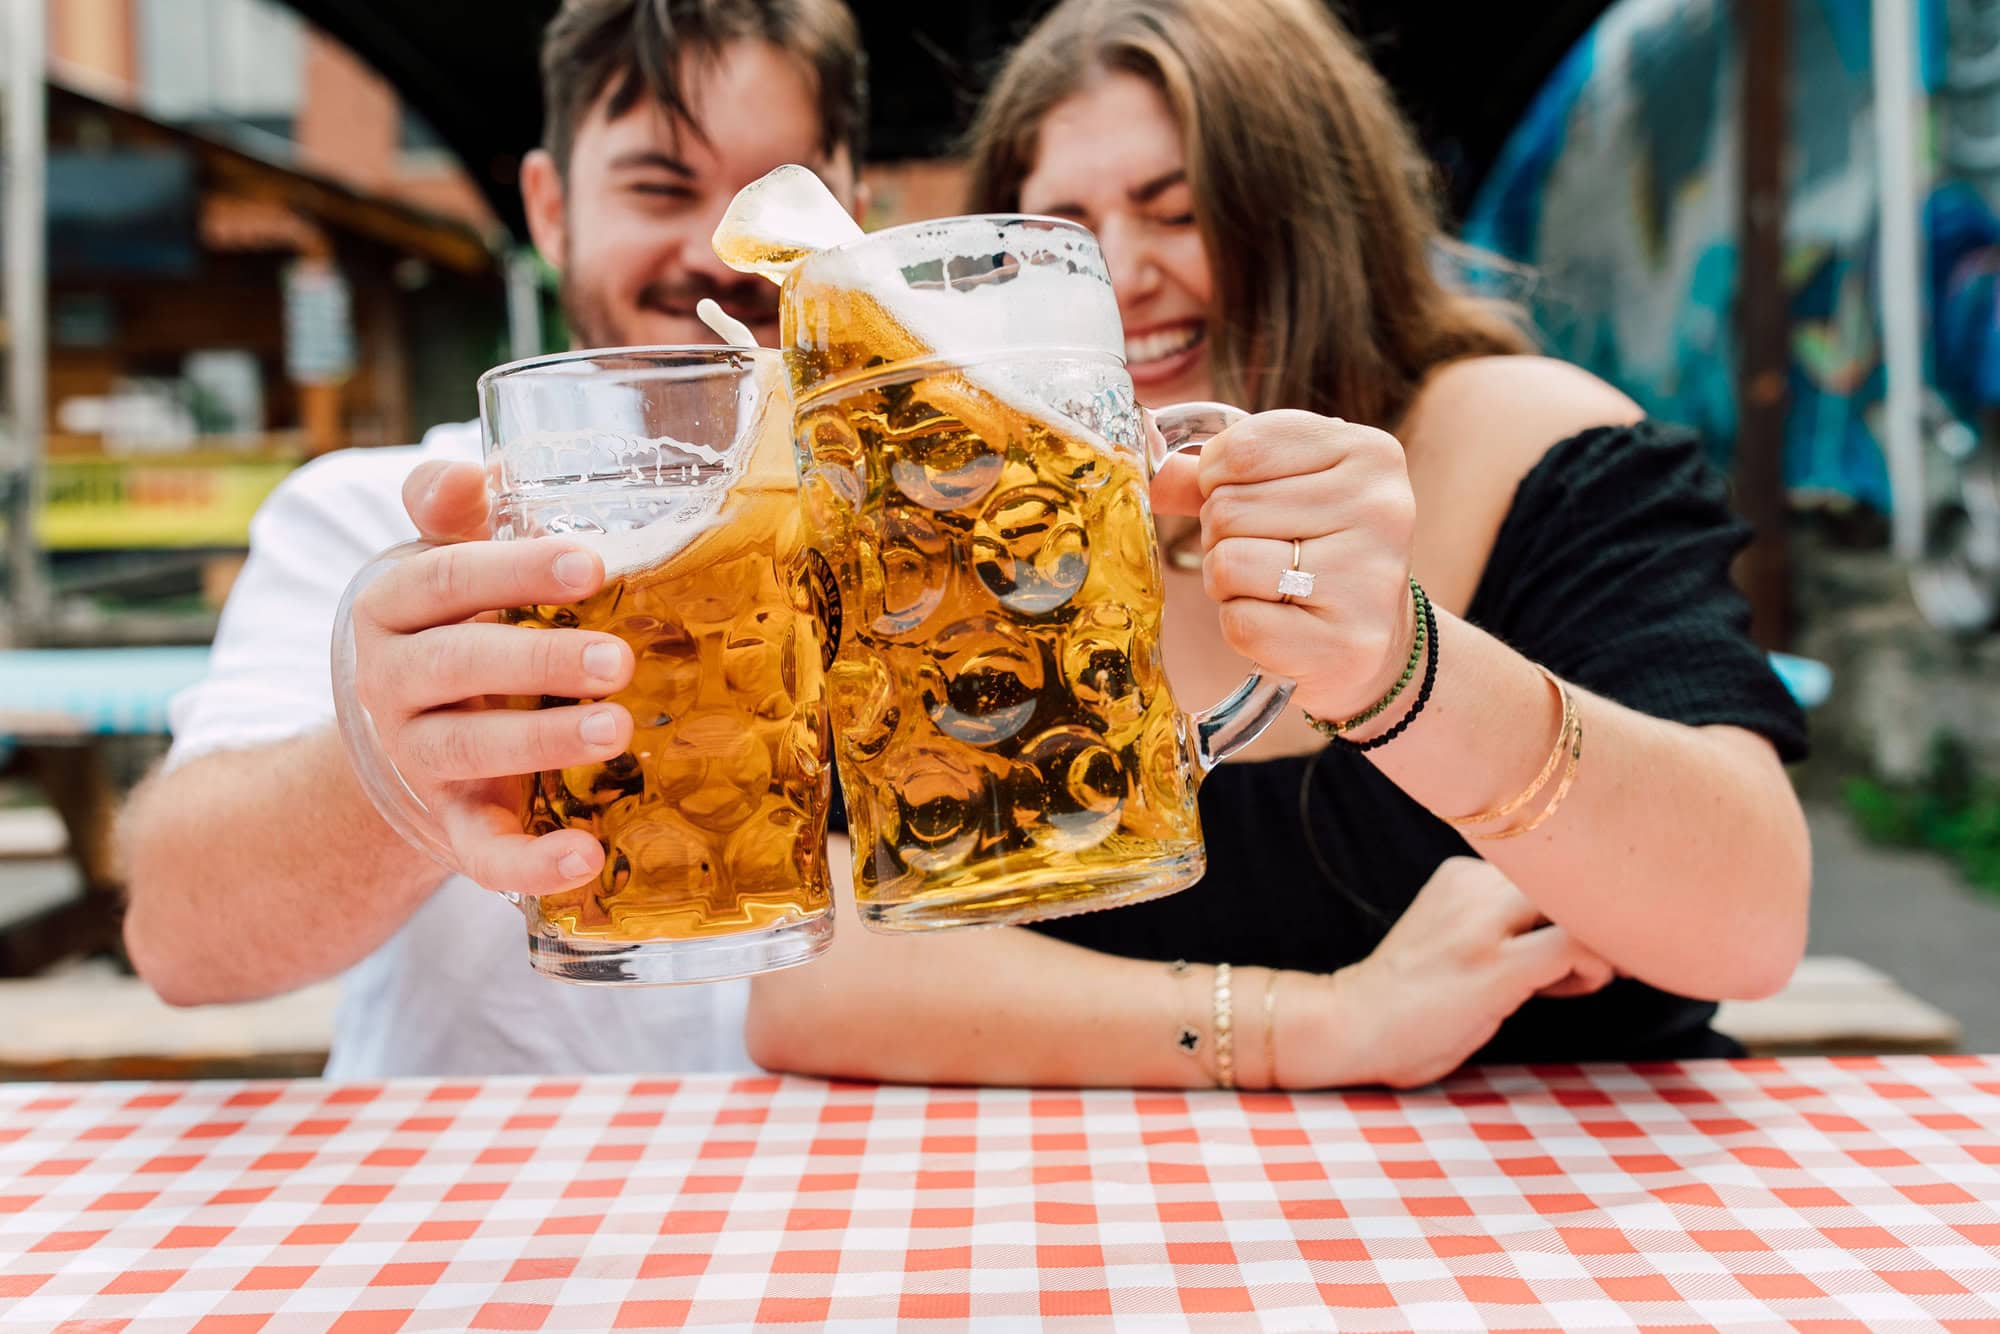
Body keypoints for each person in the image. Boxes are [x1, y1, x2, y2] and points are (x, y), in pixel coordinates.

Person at [740, 0, 1813, 1089]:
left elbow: (1749, 923)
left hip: (1574, 1201)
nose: (1118, 272)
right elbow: (814, 981)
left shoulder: (1533, 442)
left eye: (1175, 212)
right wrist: (1323, 1024)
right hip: (1135, 1212)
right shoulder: (958, 550)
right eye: (1061, 234)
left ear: (1307, 215)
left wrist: (1398, 666)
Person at [118, 0, 868, 1077]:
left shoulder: (912, 519)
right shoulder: (392, 514)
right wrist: (396, 759)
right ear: (550, 207)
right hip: (490, 1205)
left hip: (854, 1195)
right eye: (658, 187)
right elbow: (179, 937)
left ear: (852, 211)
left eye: (772, 195)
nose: (718, 248)